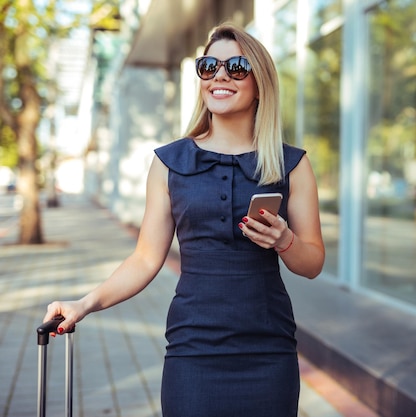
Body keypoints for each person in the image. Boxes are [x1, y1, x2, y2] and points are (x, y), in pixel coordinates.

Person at [43, 22, 325, 417]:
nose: (220, 76)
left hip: (268, 350)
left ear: (260, 82)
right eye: (209, 66)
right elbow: (144, 259)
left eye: (236, 67)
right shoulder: (169, 162)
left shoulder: (291, 164)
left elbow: (312, 263)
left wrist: (285, 241)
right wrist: (85, 304)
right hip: (193, 351)